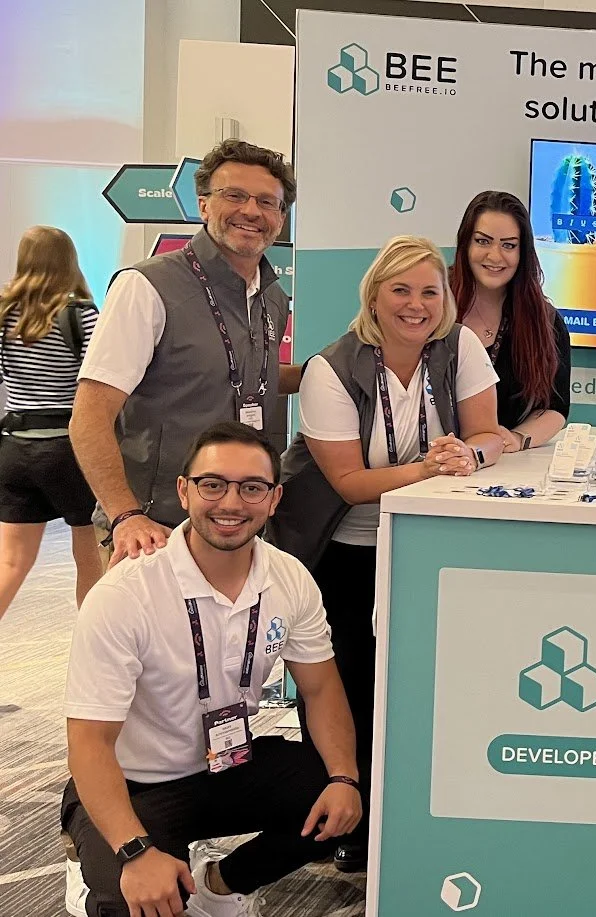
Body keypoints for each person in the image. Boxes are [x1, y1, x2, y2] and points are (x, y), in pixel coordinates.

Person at [61, 422, 362, 917]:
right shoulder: (125, 594)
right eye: (212, 484)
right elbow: (88, 744)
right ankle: (94, 861)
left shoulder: (290, 578)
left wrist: (344, 778)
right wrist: (135, 854)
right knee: (135, 900)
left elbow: (322, 688)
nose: (231, 503)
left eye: (252, 488)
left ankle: (219, 887)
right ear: (184, 491)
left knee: (340, 805)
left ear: (273, 499)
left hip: (224, 765)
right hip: (132, 784)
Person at [276, 234, 502, 872]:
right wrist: (435, 466)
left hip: (429, 544)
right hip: (340, 548)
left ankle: (415, 814)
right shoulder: (331, 368)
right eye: (400, 289)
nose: (416, 304)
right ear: (373, 296)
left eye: (429, 291)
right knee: (345, 683)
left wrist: (474, 453)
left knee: (423, 683)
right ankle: (346, 820)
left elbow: (488, 434)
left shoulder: (459, 349)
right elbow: (349, 483)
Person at [71, 139, 301, 567]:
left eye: (267, 202)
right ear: (203, 205)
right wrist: (125, 515)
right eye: (234, 195)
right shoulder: (146, 287)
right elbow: (89, 415)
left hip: (238, 531)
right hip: (154, 533)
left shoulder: (272, 298)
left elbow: (245, 376)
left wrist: (328, 370)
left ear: (281, 217)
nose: (251, 211)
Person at [0, 227, 103, 619]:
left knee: (10, 563)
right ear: (68, 261)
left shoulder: (4, 315)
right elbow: (97, 381)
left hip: (14, 447)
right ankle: (94, 651)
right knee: (89, 553)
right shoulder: (80, 315)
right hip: (67, 448)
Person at [451, 190, 573, 450]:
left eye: (508, 245)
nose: (495, 256)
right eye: (483, 241)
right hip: (430, 460)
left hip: (503, 468)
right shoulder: (433, 306)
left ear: (523, 252)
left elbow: (554, 407)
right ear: (465, 244)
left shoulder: (547, 323)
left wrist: (517, 439)